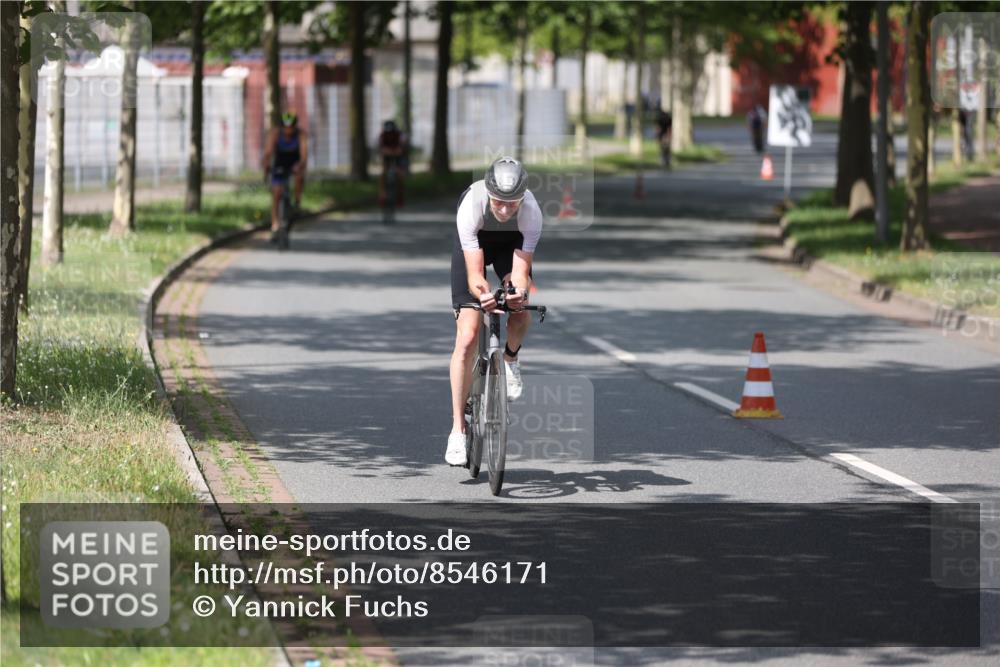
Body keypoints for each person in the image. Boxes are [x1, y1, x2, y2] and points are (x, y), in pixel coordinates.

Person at [446, 157, 542, 466]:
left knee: (520, 308)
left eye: (511, 203)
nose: (503, 209)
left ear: (522, 198)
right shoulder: (471, 206)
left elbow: (521, 272)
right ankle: (457, 431)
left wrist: (517, 292)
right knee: (467, 336)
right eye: (498, 201)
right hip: (473, 246)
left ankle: (510, 361)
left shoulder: (531, 212)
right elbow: (475, 275)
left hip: (509, 247)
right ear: (488, 193)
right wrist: (483, 295)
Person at [262, 111, 308, 242]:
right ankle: (275, 224)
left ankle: (297, 203)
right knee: (276, 193)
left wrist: (300, 165)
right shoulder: (275, 134)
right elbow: (268, 153)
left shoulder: (301, 135)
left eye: (291, 127)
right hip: (280, 163)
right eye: (286, 127)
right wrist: (266, 168)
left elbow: (304, 156)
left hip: (294, 163)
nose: (288, 130)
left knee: (299, 177)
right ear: (282, 127)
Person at [378, 119, 407, 207]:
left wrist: (399, 150)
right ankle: (383, 195)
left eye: (391, 132)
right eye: (388, 132)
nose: (390, 134)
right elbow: (380, 148)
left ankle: (400, 197)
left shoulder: (400, 135)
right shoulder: (382, 135)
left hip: (399, 158)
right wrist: (388, 151)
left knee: (400, 175)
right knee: (383, 174)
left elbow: (402, 147)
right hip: (387, 158)